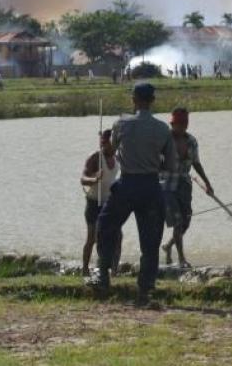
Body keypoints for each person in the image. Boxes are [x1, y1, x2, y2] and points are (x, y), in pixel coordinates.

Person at [90, 82, 179, 307]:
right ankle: (145, 289)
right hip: (151, 186)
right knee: (150, 241)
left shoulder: (121, 124)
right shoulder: (163, 130)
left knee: (105, 225)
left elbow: (110, 151)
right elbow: (170, 165)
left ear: (134, 99)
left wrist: (107, 146)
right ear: (153, 101)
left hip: (127, 184)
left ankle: (103, 275)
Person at [160, 108, 216, 268]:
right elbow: (155, 162)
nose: (178, 127)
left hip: (184, 184)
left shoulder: (191, 140)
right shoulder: (164, 140)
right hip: (166, 185)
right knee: (177, 221)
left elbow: (196, 163)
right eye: (175, 124)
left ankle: (169, 245)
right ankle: (182, 259)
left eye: (182, 124)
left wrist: (207, 183)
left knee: (186, 221)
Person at [80, 129, 121, 277]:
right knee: (92, 238)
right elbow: (83, 179)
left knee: (117, 236)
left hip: (109, 202)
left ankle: (114, 271)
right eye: (102, 143)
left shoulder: (118, 158)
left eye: (107, 143)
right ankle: (85, 269)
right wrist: (95, 179)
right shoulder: (95, 157)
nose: (104, 146)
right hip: (93, 202)